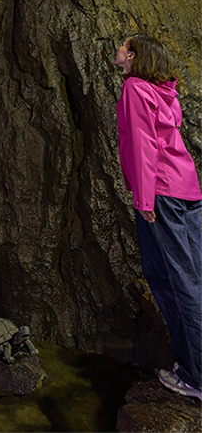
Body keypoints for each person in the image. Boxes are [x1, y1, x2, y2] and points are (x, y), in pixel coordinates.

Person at [115, 33, 202, 400]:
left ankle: (197, 380)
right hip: (188, 191)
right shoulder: (165, 92)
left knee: (178, 283)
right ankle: (190, 366)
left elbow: (142, 143)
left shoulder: (135, 87)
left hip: (161, 193)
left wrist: (144, 198)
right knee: (191, 278)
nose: (117, 49)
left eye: (122, 46)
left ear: (133, 56)